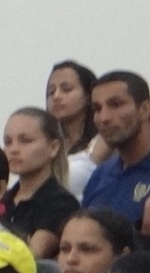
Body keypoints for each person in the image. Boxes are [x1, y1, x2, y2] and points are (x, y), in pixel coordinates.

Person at [1, 108, 82, 259]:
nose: (13, 149)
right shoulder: (1, 199)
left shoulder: (61, 203)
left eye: (25, 141)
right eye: (8, 142)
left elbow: (31, 256)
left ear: (53, 148)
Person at [81, 72, 150, 226]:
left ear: (145, 109)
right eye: (97, 109)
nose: (104, 118)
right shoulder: (100, 175)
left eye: (115, 105)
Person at [48, 60, 102, 199]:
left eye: (66, 89)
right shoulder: (48, 147)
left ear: (88, 95)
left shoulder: (102, 140)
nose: (56, 96)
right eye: (51, 92)